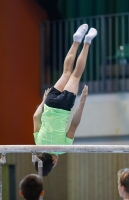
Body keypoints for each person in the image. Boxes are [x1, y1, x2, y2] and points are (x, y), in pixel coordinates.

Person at [33, 24, 97, 176]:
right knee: (67, 72)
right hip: (49, 102)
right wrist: (43, 101)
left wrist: (81, 103)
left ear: (53, 162)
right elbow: (36, 117)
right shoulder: (38, 143)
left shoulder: (62, 149)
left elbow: (74, 124)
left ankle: (87, 42)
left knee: (76, 75)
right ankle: (76, 41)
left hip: (64, 106)